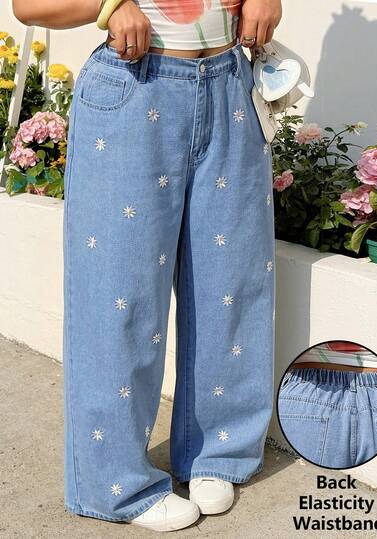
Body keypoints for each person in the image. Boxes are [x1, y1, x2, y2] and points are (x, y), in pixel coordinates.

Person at [13, 0, 282, 532]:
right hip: (136, 86)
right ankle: (114, 484)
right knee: (121, 296)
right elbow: (29, 6)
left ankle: (218, 451)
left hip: (230, 84)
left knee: (232, 284)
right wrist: (108, 5)